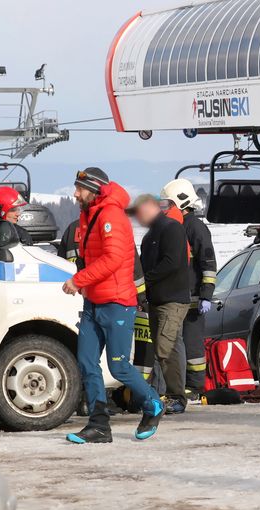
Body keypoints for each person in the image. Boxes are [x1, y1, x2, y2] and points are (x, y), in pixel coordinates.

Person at [61, 168, 164, 443]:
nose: (75, 193)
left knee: (118, 367)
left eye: (80, 188)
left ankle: (152, 403)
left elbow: (113, 259)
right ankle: (98, 425)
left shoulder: (110, 216)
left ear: (93, 190)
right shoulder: (89, 214)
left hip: (117, 303)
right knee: (86, 362)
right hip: (94, 301)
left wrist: (78, 279)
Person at [131, 194, 191, 415]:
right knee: (161, 348)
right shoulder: (149, 237)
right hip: (156, 300)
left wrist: (147, 280)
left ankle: (177, 397)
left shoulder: (172, 229)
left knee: (167, 349)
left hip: (172, 300)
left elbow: (172, 263)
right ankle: (163, 395)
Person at [160, 179, 217, 395]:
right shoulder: (173, 227)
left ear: (181, 202)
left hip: (193, 300)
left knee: (193, 347)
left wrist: (206, 295)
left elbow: (208, 264)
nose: (166, 208)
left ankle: (194, 386)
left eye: (169, 204)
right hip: (175, 298)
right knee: (175, 345)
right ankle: (178, 384)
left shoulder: (195, 227)